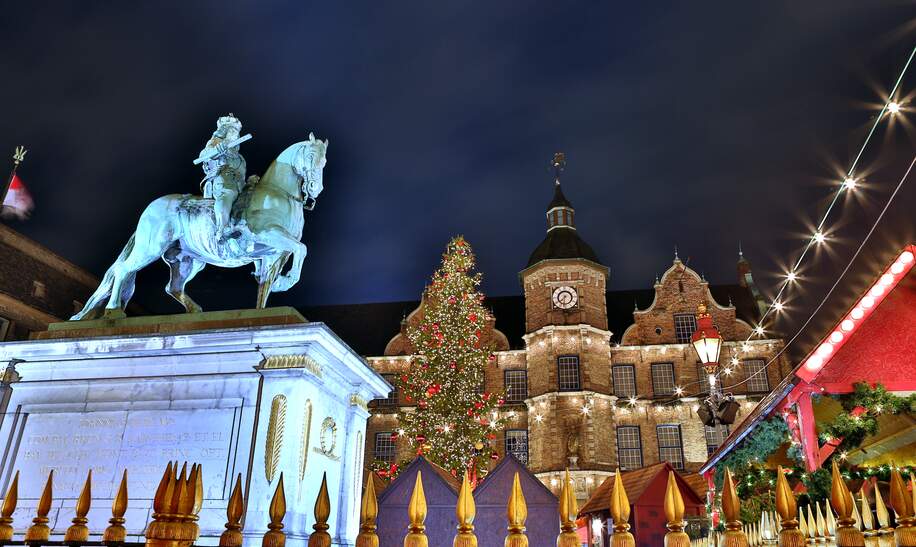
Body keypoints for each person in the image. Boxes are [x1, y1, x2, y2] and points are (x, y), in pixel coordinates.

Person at [197, 114, 247, 239]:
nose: (234, 134)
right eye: (231, 131)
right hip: (223, 183)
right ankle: (222, 229)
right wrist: (216, 150)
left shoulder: (239, 158)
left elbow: (242, 175)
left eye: (235, 132)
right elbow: (204, 155)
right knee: (226, 195)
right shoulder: (214, 146)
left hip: (240, 187)